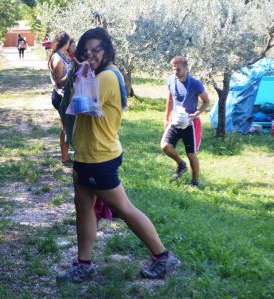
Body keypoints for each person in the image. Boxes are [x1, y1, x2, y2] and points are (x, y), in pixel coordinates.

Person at [57, 28, 180, 282]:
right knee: (84, 210)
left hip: (100, 157)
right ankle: (84, 263)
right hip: (86, 155)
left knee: (124, 209)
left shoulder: (106, 78)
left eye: (96, 49)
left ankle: (163, 256)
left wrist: (77, 73)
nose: (90, 55)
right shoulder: (94, 73)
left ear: (107, 50)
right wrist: (79, 72)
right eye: (85, 50)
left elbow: (77, 104)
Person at [161, 56, 210, 187]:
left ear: (186, 68)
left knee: (191, 154)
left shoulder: (195, 83)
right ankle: (181, 165)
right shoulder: (171, 80)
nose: (175, 72)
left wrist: (197, 113)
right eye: (173, 69)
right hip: (175, 121)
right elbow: (170, 100)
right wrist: (166, 118)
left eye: (178, 69)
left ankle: (194, 182)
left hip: (190, 124)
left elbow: (206, 102)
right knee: (165, 146)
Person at [48, 31, 73, 164]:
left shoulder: (63, 54)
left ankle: (67, 155)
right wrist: (72, 75)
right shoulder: (57, 58)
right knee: (65, 127)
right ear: (66, 42)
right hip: (61, 97)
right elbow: (59, 82)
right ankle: (64, 157)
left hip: (67, 96)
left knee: (68, 126)